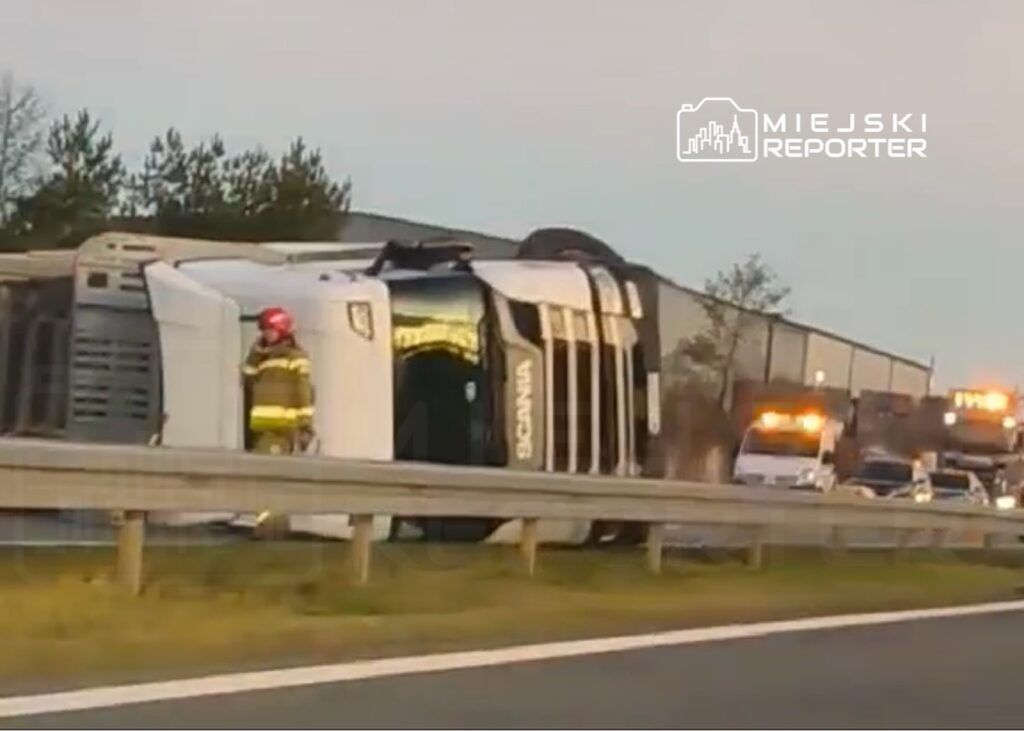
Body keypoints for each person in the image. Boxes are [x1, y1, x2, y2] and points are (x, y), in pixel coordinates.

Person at [242, 306, 315, 537]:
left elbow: (303, 392)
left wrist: (306, 425)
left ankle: (270, 529)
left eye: (270, 330)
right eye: (264, 330)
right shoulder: (262, 355)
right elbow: (247, 376)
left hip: (282, 428)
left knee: (269, 474)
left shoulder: (296, 357)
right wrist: (257, 351)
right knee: (264, 474)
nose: (266, 334)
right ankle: (271, 526)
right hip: (262, 427)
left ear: (282, 329)